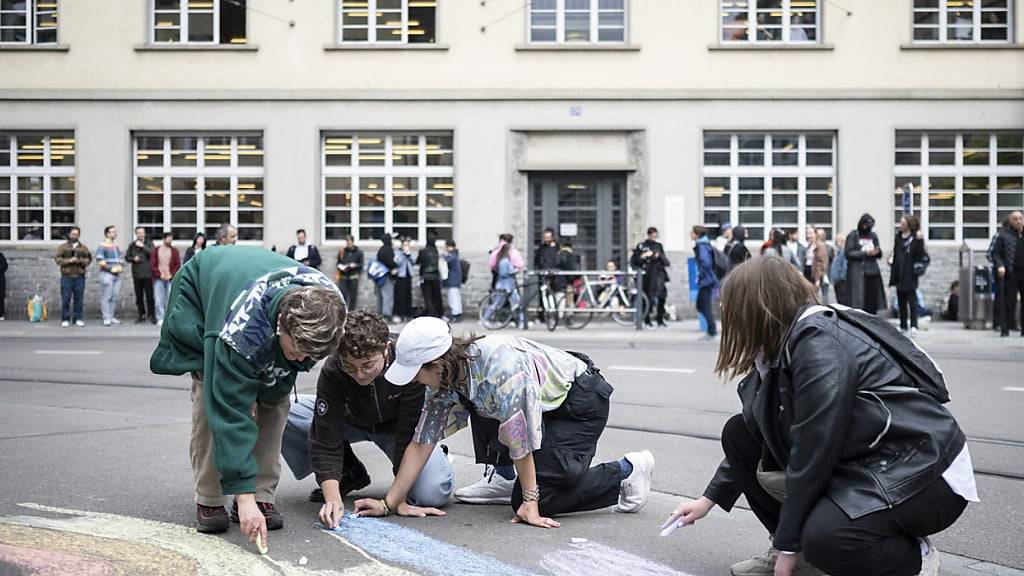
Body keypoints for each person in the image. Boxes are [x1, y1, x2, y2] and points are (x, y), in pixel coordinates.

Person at [670, 257, 977, 576]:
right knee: (740, 433)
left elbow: (815, 444)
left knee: (829, 539)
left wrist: (792, 546)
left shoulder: (816, 339)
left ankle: (915, 558)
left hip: (922, 471)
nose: (727, 316)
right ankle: (798, 550)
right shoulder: (778, 347)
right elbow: (760, 433)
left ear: (758, 305)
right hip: (871, 462)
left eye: (731, 307)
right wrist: (708, 500)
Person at [353, 317, 657, 527]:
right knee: (481, 405)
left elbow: (520, 442)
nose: (416, 381)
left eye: (417, 373)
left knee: (542, 498)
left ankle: (626, 472)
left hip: (578, 405)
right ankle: (504, 477)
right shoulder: (448, 377)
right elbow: (421, 442)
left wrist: (530, 504)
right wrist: (389, 503)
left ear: (436, 363)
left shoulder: (501, 370)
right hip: (542, 407)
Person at [150, 245, 347, 544]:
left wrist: (253, 495)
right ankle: (210, 496)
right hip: (206, 288)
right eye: (296, 351)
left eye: (308, 357)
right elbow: (230, 412)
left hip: (261, 287)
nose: (299, 361)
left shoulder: (332, 309)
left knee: (276, 403)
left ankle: (263, 493)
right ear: (280, 324)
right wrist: (242, 500)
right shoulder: (242, 334)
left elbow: (294, 361)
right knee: (210, 397)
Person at [281, 311, 454, 529]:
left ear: (386, 349)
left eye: (367, 365)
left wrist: (395, 501)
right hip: (350, 421)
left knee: (432, 493)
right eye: (350, 367)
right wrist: (332, 499)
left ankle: (437, 455)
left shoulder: (408, 362)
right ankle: (347, 471)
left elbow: (407, 433)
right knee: (286, 410)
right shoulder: (334, 368)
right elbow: (325, 435)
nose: (359, 375)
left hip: (396, 429)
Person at [889, 215, 928, 336]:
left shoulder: (916, 238)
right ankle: (903, 325)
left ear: (909, 225)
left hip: (910, 273)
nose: (900, 226)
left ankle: (914, 325)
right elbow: (896, 253)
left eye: (903, 224)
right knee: (901, 300)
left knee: (912, 300)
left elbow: (920, 255)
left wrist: (920, 240)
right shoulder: (898, 237)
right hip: (899, 272)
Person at [991, 210, 1024, 337]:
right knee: (1008, 302)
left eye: (1020, 218)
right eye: (1015, 219)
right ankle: (1006, 328)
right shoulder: (1003, 235)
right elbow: (995, 253)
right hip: (1010, 273)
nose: (1018, 221)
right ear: (1010, 221)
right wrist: (1000, 265)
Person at [844, 214, 885, 315]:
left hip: (873, 272)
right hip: (858, 272)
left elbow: (879, 251)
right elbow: (848, 253)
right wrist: (865, 253)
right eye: (866, 225)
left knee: (872, 300)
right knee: (859, 300)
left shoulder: (873, 235)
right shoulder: (854, 235)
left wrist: (877, 252)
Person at [630, 227, 670, 329]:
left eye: (655, 236)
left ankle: (660, 319)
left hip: (658, 275)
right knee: (647, 298)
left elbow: (665, 261)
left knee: (662, 297)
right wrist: (643, 256)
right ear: (648, 235)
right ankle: (647, 320)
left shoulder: (658, 246)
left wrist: (658, 255)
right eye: (652, 235)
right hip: (646, 276)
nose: (653, 238)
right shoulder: (642, 246)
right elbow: (634, 261)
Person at [54, 227, 92, 327]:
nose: (74, 236)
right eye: (73, 234)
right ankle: (65, 318)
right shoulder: (63, 247)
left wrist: (79, 261)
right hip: (66, 276)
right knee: (66, 298)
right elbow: (57, 259)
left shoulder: (83, 247)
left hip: (79, 276)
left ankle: (78, 318)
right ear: (69, 234)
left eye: (76, 234)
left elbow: (88, 260)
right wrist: (68, 261)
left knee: (79, 298)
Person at [484, 241, 527, 329]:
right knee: (517, 303)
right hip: (506, 286)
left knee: (498, 303)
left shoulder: (504, 260)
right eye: (511, 250)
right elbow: (503, 273)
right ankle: (522, 321)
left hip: (505, 285)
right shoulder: (505, 261)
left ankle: (485, 319)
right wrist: (516, 270)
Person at [691, 225, 718, 340]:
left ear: (697, 234)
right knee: (701, 305)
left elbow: (706, 263)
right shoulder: (703, 245)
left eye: (692, 232)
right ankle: (711, 330)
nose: (690, 234)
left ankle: (712, 331)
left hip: (707, 280)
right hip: (706, 280)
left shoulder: (702, 246)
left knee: (704, 305)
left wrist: (700, 275)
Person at [125, 226, 156, 324]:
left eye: (142, 233)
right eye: (138, 233)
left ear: (144, 233)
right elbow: (127, 257)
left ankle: (151, 315)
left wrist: (143, 246)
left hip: (148, 274)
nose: (140, 234)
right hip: (137, 274)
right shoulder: (132, 245)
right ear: (136, 234)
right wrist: (133, 258)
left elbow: (153, 254)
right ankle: (141, 314)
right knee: (139, 296)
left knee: (150, 296)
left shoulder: (149, 243)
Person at [96, 225, 125, 327]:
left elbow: (120, 259)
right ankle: (106, 317)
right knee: (106, 296)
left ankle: (111, 316)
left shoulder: (115, 247)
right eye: (112, 232)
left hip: (117, 274)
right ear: (107, 233)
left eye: (115, 232)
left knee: (114, 296)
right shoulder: (102, 246)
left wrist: (121, 265)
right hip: (106, 274)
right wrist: (110, 268)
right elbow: (100, 261)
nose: (115, 233)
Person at [150, 232, 181, 326]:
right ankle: (160, 318)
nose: (170, 240)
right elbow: (153, 264)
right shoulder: (156, 250)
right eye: (168, 239)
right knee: (159, 299)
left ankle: (170, 318)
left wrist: (172, 274)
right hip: (159, 278)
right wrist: (159, 274)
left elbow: (177, 264)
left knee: (170, 299)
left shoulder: (174, 251)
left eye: (171, 239)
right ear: (163, 239)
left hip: (170, 278)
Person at [417, 232, 444, 319]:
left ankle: (431, 313)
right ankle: (437, 313)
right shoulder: (436, 251)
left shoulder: (423, 251)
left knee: (427, 296)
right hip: (435, 276)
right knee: (436, 295)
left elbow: (418, 261)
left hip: (425, 276)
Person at [375, 234, 398, 323]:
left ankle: (378, 317)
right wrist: (395, 266)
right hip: (387, 276)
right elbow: (390, 262)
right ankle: (387, 316)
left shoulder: (381, 249)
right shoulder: (389, 249)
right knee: (387, 297)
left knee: (380, 297)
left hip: (379, 277)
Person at [336, 235, 363, 311]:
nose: (348, 243)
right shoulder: (342, 252)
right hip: (343, 277)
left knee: (353, 297)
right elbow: (338, 263)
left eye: (349, 242)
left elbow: (361, 264)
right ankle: (343, 312)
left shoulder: (358, 252)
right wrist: (341, 267)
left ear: (352, 242)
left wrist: (355, 265)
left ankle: (351, 313)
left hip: (353, 277)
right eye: (347, 242)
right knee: (343, 296)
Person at [804, 224, 828, 303]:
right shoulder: (809, 246)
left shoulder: (820, 246)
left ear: (815, 234)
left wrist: (818, 279)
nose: (808, 235)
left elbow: (822, 263)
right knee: (807, 296)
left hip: (814, 275)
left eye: (810, 233)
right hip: (807, 272)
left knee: (813, 297)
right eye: (807, 233)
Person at [394, 238, 416, 322]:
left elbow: (414, 261)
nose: (406, 247)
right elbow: (397, 262)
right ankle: (400, 314)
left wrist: (409, 255)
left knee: (408, 295)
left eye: (407, 245)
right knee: (400, 295)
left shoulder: (410, 253)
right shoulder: (398, 253)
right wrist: (403, 255)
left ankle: (408, 314)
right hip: (400, 276)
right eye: (405, 245)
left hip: (408, 275)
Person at [442, 240, 464, 323]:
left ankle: (455, 315)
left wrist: (443, 255)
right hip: (455, 280)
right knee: (456, 298)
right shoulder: (455, 255)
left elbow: (446, 261)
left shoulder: (452, 256)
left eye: (446, 246)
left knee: (453, 298)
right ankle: (458, 313)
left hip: (453, 280)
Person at [830, 234, 849, 306]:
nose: (835, 243)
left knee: (843, 302)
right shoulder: (838, 252)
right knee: (840, 301)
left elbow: (845, 266)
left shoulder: (844, 252)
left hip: (842, 282)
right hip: (837, 282)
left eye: (837, 241)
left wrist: (841, 277)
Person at [815, 228, 833, 304]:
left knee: (825, 297)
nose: (821, 236)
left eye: (822, 235)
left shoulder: (829, 248)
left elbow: (831, 260)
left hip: (826, 275)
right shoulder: (814, 246)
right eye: (819, 235)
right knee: (815, 296)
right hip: (816, 275)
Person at [0, 249, 6, 321]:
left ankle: (1, 314)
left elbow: (5, 266)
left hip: (0, 279)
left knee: (0, 297)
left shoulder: (0, 256)